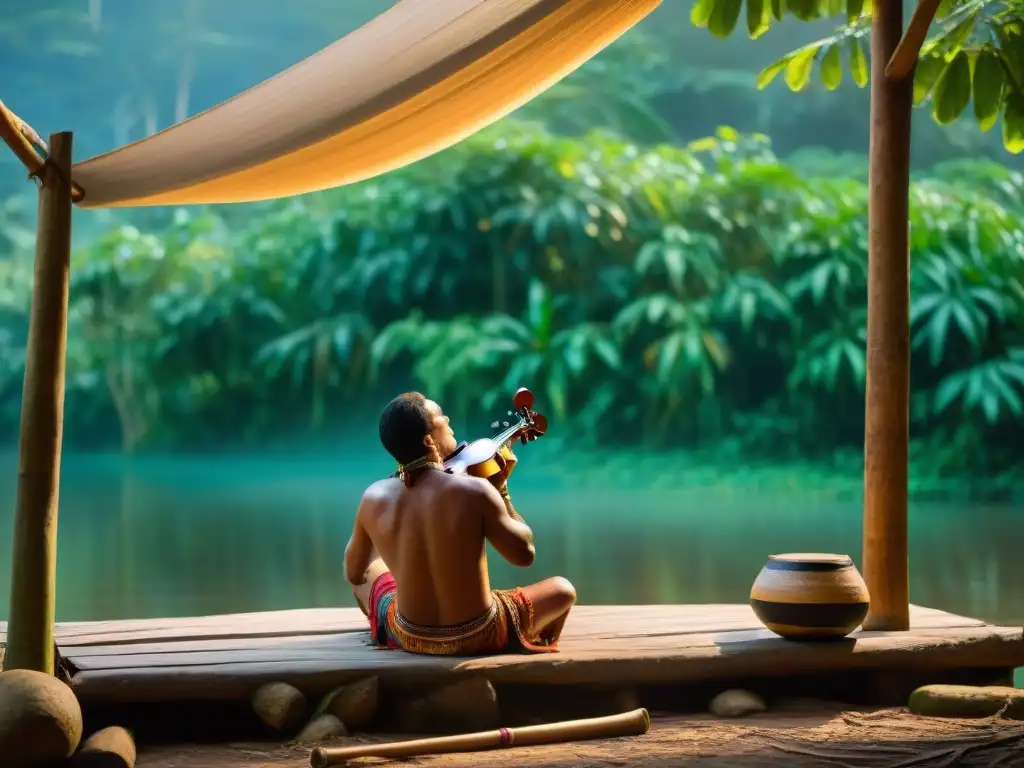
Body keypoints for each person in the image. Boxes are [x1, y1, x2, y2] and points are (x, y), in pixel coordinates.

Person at [343, 392, 576, 655]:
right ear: (429, 440)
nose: (447, 418)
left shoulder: (372, 497)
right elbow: (523, 554)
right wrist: (501, 492)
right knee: (562, 590)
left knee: (370, 569)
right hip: (478, 632)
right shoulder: (475, 491)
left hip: (410, 635)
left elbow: (354, 573)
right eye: (440, 415)